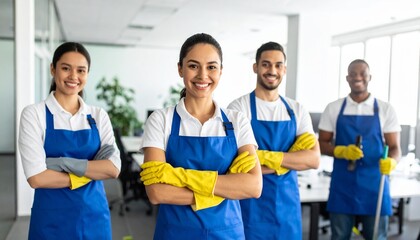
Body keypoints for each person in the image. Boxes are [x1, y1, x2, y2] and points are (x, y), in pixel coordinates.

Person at [139, 33, 262, 240]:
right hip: (176, 232)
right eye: (193, 66)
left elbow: (253, 186)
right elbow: (157, 192)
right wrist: (222, 190)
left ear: (221, 71)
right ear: (180, 69)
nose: (203, 75)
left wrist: (180, 178)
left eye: (212, 67)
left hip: (227, 233)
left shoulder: (237, 121)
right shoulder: (161, 120)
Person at [18, 42, 121, 240]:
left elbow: (113, 168)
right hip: (51, 219)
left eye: (81, 70)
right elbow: (37, 177)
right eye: (66, 68)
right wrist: (91, 170)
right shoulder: (34, 114)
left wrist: (60, 163)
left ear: (87, 74)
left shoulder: (98, 116)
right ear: (52, 69)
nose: (73, 76)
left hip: (94, 215)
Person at [228, 41, 320, 239]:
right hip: (250, 206)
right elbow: (236, 164)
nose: (272, 70)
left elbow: (313, 159)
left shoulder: (296, 110)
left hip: (287, 209)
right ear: (255, 67)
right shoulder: (238, 108)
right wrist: (290, 161)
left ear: (284, 69)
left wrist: (263, 157)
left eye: (278, 65)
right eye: (266, 64)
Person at [318, 59, 401, 240]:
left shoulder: (385, 109)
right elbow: (321, 144)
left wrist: (392, 161)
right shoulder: (333, 108)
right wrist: (340, 151)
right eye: (353, 74)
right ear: (347, 78)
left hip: (375, 184)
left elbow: (395, 147)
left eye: (362, 73)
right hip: (342, 184)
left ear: (370, 77)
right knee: (339, 236)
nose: (358, 77)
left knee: (376, 236)